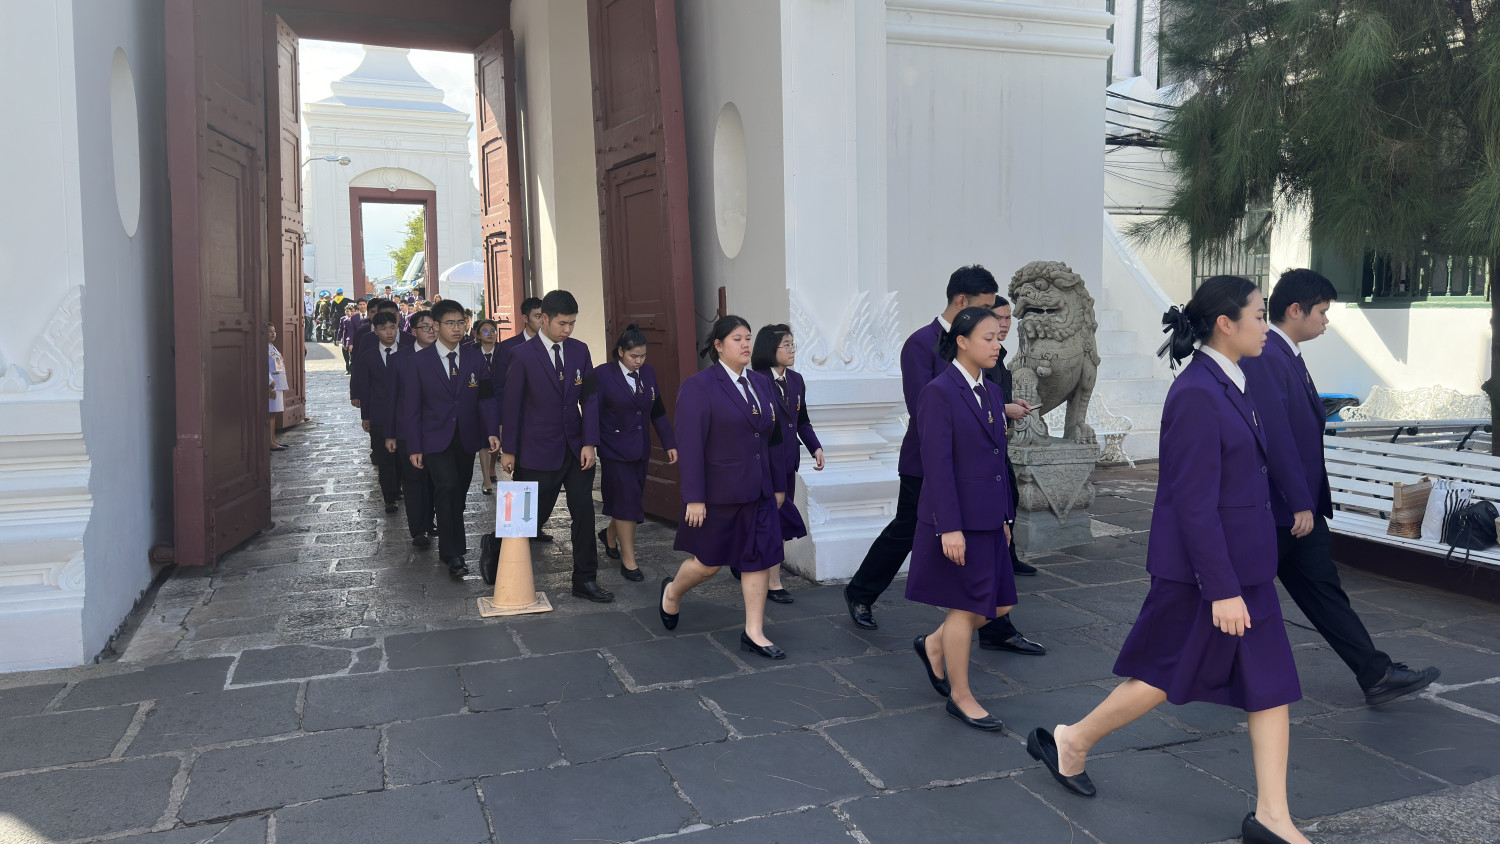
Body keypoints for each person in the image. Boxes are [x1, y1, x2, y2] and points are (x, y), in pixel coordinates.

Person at [1027, 276, 1311, 844]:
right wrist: (1222, 589)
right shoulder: (1197, 393)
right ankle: (1072, 740)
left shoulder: (1234, 379)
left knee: (1271, 683)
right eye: (1259, 315)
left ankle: (1273, 817)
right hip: (1205, 575)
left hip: (1244, 568)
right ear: (1225, 324)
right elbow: (1192, 502)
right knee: (1161, 677)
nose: (1266, 324)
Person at [1244, 269, 1440, 705]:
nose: (1326, 321)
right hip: (1281, 511)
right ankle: (1186, 669)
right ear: (1296, 310)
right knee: (1235, 596)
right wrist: (1299, 502)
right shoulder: (1267, 355)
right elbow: (1277, 437)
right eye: (1321, 312)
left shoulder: (1286, 354)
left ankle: (1376, 673)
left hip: (1301, 510)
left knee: (1324, 593)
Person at [844, 265, 1044, 657]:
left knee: (988, 539)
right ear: (961, 301)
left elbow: (987, 393)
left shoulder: (986, 343)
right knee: (906, 530)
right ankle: (861, 591)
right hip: (929, 462)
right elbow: (924, 410)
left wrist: (1001, 409)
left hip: (982, 460)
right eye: (985, 307)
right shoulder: (921, 344)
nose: (993, 320)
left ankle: (996, 627)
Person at [908, 307, 1017, 730]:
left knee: (999, 604)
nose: (997, 345)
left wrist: (1005, 517)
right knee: (966, 606)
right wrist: (949, 527)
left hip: (989, 517)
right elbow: (937, 466)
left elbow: (997, 460)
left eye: (998, 337)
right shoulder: (938, 392)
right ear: (962, 341)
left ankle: (935, 645)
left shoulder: (991, 391)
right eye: (988, 338)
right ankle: (961, 695)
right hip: (958, 520)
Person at [659, 316, 788, 659]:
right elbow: (690, 446)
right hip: (719, 493)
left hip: (759, 490)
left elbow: (773, 439)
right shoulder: (699, 387)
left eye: (748, 338)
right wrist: (694, 498)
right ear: (718, 346)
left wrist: (778, 485)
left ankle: (754, 632)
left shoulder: (761, 383)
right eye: (737, 339)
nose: (746, 344)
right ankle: (672, 592)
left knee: (758, 558)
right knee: (708, 563)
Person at [499, 290, 611, 602]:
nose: (567, 330)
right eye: (562, 323)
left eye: (572, 323)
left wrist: (589, 442)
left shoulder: (580, 350)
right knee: (528, 517)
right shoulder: (522, 355)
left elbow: (590, 398)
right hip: (535, 449)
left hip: (575, 449)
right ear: (544, 319)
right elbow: (512, 406)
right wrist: (509, 450)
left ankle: (585, 579)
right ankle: (497, 552)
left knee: (584, 513)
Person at [396, 300, 501, 578]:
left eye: (461, 323)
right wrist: (414, 446)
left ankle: (448, 539)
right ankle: (455, 554)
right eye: (450, 323)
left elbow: (486, 398)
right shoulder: (419, 361)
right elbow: (411, 407)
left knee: (458, 493)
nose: (457, 328)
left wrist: (492, 430)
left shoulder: (474, 358)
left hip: (466, 438)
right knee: (448, 486)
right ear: (436, 326)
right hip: (433, 438)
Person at [594, 324, 678, 581]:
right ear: (620, 352)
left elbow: (657, 410)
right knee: (626, 502)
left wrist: (669, 443)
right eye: (634, 356)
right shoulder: (603, 375)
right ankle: (629, 561)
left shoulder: (648, 373)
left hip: (640, 448)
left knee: (629, 500)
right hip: (614, 450)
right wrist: (588, 444)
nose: (639, 361)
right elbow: (591, 413)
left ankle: (610, 534)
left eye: (643, 356)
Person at [748, 324, 824, 603]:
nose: (792, 350)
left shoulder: (796, 380)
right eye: (786, 345)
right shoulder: (755, 380)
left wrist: (815, 447)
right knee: (767, 520)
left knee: (777, 520)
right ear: (771, 349)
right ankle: (772, 582)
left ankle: (767, 576)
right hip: (764, 463)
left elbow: (802, 421)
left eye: (793, 345)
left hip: (788, 462)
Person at [984, 297, 1039, 579]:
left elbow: (995, 395)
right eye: (999, 318)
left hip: (1000, 441)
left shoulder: (998, 354)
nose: (1005, 324)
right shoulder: (981, 356)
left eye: (1008, 318)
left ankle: (1008, 556)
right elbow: (972, 401)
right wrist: (1005, 409)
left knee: (1010, 496)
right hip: (983, 444)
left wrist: (1011, 402)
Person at [386, 310, 438, 549]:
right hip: (408, 429)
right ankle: (419, 529)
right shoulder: (399, 359)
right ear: (413, 331)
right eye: (425, 327)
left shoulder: (445, 355)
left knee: (436, 479)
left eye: (434, 326)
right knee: (414, 479)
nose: (431, 331)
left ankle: (430, 520)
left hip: (438, 429)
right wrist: (391, 433)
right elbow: (392, 398)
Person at [352, 311, 404, 512]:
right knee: (385, 457)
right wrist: (366, 416)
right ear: (376, 332)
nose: (389, 332)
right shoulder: (368, 356)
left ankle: (400, 487)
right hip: (379, 414)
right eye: (383, 329)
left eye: (392, 327)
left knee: (402, 455)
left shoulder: (408, 352)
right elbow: (365, 389)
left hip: (404, 413)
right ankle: (389, 496)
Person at [472, 319, 501, 495]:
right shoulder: (471, 352)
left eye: (493, 331)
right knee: (484, 439)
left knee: (497, 436)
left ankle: (492, 468)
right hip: (480, 400)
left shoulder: (504, 351)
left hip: (500, 400)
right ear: (477, 334)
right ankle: (486, 479)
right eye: (485, 331)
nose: (489, 334)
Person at [267, 323, 288, 452]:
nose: (273, 333)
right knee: (270, 414)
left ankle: (273, 440)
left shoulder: (272, 346)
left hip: (279, 383)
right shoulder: (263, 348)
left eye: (274, 331)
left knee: (274, 414)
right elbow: (264, 367)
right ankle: (269, 442)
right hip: (273, 384)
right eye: (270, 331)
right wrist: (270, 384)